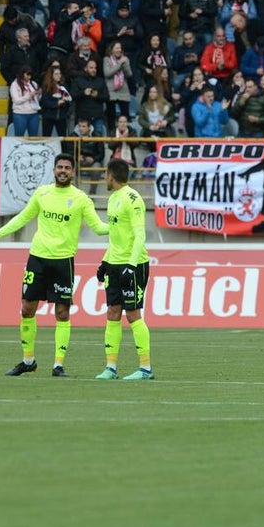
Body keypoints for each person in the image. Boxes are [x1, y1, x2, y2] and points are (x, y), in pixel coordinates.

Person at [0, 153, 109, 377]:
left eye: (67, 168)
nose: (63, 171)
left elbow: (98, 227)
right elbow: (23, 217)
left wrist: (120, 226)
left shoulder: (81, 198)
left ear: (73, 172)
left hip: (63, 261)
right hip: (38, 258)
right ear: (54, 170)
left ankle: (58, 365)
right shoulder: (42, 193)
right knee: (26, 308)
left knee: (62, 313)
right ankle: (28, 360)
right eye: (59, 167)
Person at [94, 159, 153, 381]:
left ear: (111, 175)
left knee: (133, 314)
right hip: (115, 264)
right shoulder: (112, 199)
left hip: (134, 265)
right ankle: (111, 367)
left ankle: (146, 369)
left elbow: (140, 235)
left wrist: (131, 264)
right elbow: (116, 237)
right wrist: (105, 262)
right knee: (112, 313)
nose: (104, 179)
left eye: (105, 175)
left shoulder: (133, 199)